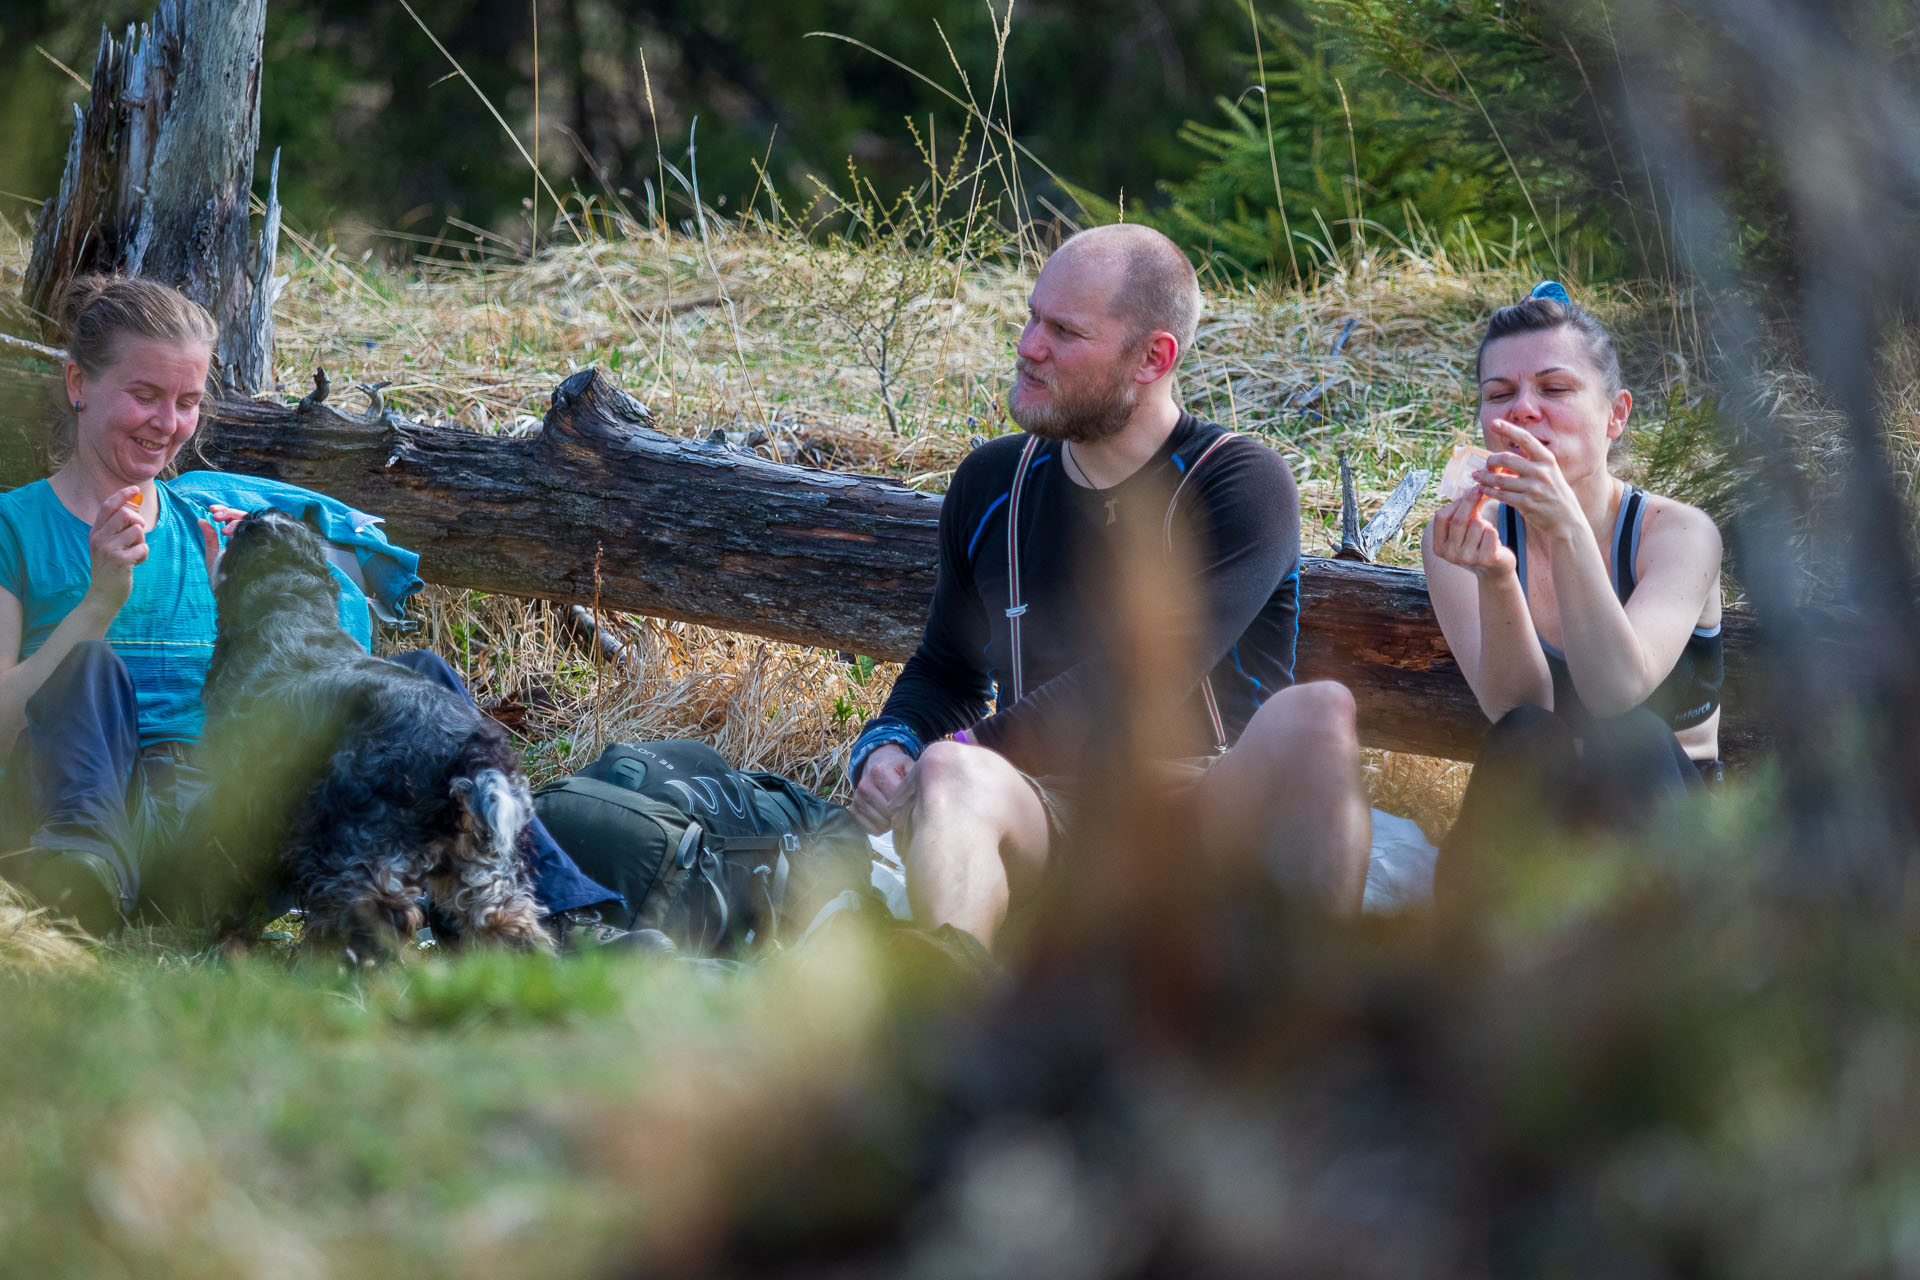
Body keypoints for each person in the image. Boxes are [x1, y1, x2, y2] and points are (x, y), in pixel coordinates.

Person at [0, 275, 620, 938]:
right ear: (78, 386)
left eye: (186, 401)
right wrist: (97, 605)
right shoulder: (16, 526)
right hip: (92, 820)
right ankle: (81, 905)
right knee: (91, 668)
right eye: (145, 395)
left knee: (416, 681)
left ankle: (555, 913)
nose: (167, 424)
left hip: (219, 836)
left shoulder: (206, 529)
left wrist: (248, 599)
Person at [845, 224, 1371, 951]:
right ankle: (951, 1003)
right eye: (1032, 317)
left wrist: (970, 742)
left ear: (1152, 357)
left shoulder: (1237, 481)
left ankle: (1319, 1008)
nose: (1029, 345)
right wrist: (891, 747)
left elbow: (1138, 680)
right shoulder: (993, 483)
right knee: (948, 772)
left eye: (1064, 331)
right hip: (1048, 812)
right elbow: (946, 668)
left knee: (1321, 710)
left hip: (1203, 804)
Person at [1422, 282, 1724, 890]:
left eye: (1555, 388)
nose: (1523, 409)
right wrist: (1497, 576)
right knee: (1525, 736)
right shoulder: (1459, 535)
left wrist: (1565, 530)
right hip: (1537, 822)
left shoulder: (1678, 534)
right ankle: (1470, 970)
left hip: (1664, 819)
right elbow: (1514, 710)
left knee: (1630, 734)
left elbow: (1616, 691)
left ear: (1616, 415)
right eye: (1499, 394)